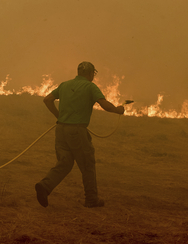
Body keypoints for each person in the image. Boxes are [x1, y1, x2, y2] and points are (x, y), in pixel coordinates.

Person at [35, 61, 124, 208]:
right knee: (87, 164)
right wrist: (118, 110)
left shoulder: (64, 85)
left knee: (65, 163)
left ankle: (44, 187)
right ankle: (91, 199)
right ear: (90, 74)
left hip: (61, 130)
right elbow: (104, 105)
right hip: (77, 132)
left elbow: (47, 99)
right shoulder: (90, 87)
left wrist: (59, 116)